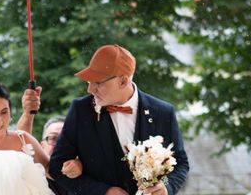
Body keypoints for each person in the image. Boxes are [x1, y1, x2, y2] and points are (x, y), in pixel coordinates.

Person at [49, 44, 190, 195]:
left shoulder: (163, 112)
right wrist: (103, 191)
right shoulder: (80, 110)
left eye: (98, 82)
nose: (90, 89)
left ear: (123, 81)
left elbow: (180, 164)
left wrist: (165, 187)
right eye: (89, 82)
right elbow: (57, 167)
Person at [18, 89, 82, 194]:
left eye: (65, 140)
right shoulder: (34, 173)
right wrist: (28, 112)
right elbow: (22, 140)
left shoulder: (87, 176)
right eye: (53, 138)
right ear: (41, 146)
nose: (60, 145)